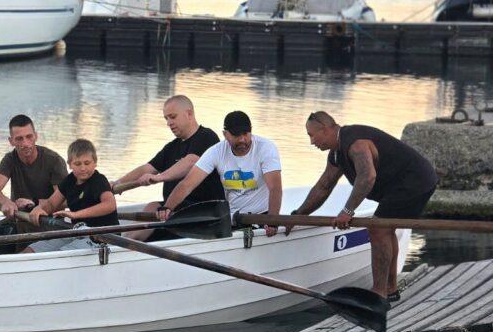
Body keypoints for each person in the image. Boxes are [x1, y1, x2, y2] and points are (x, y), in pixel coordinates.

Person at [288, 111, 438, 301]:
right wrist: (298, 215)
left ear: (325, 130)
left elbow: (367, 177)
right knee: (385, 229)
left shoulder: (356, 144)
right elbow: (323, 186)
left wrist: (347, 211)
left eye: (311, 135)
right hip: (400, 185)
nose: (311, 142)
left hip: (415, 181)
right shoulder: (337, 153)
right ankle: (390, 290)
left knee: (378, 229)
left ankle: (379, 293)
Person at [113, 95, 225, 240]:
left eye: (172, 117)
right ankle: (119, 247)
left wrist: (160, 177)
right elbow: (146, 169)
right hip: (172, 213)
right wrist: (117, 184)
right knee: (152, 206)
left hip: (202, 218)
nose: (168, 123)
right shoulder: (171, 147)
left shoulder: (207, 137)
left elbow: (190, 162)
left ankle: (122, 248)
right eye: (166, 118)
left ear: (189, 114)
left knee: (154, 211)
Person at [158, 110, 283, 237]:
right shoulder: (216, 152)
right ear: (225, 134)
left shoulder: (266, 148)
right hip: (233, 217)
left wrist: (272, 221)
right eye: (236, 135)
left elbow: (275, 188)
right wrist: (167, 207)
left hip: (263, 216)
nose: (242, 139)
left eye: (246, 133)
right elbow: (187, 184)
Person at [26, 138, 119, 252]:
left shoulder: (99, 180)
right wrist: (40, 209)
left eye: (87, 163)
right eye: (77, 164)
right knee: (29, 250)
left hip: (104, 237)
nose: (83, 168)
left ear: (95, 162)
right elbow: (51, 204)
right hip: (77, 232)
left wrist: (75, 214)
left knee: (57, 256)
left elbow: (110, 205)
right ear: (70, 164)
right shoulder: (69, 180)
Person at [0, 114, 68, 219]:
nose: (25, 143)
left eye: (29, 137)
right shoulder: (10, 159)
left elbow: (64, 200)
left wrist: (34, 203)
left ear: (36, 136)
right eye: (19, 139)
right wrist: (5, 201)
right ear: (11, 141)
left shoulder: (54, 160)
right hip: (20, 219)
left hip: (50, 221)